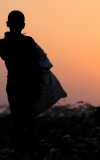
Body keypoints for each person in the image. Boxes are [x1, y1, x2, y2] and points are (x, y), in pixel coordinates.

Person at [0, 10, 41, 160]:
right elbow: (4, 55)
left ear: (23, 25)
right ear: (7, 24)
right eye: (13, 22)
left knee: (30, 118)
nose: (16, 25)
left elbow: (36, 63)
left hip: (29, 86)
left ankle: (33, 150)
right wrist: (6, 38)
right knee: (16, 119)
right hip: (13, 87)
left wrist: (37, 85)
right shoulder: (4, 42)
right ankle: (20, 150)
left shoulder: (28, 41)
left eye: (19, 22)